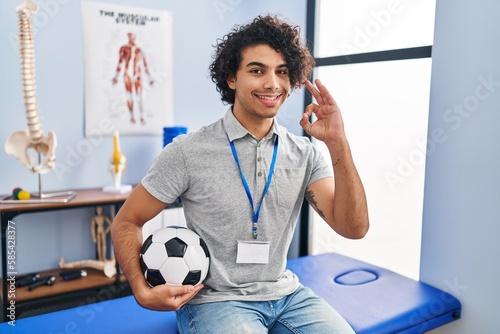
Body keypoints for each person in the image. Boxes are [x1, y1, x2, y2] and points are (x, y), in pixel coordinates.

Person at [111, 15, 369, 333]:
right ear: (231, 77)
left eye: (282, 72)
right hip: (217, 302)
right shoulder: (187, 151)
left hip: (288, 295)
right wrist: (141, 290)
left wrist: (337, 142)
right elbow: (126, 221)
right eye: (257, 70)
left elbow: (354, 228)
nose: (272, 83)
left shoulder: (305, 154)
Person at [112, 32, 154, 125]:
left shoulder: (139, 49)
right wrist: (116, 76)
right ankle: (132, 116)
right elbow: (120, 62)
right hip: (128, 74)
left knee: (139, 96)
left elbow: (145, 63)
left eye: (133, 37)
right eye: (130, 36)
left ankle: (141, 116)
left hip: (137, 75)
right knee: (129, 96)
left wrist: (149, 77)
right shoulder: (124, 48)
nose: (131, 38)